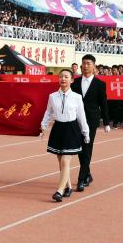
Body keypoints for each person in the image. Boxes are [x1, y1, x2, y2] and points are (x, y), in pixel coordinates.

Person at [40, 69, 89, 202]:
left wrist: (86, 132)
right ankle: (68, 187)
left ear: (72, 80)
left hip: (71, 129)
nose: (63, 79)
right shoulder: (52, 96)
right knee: (61, 162)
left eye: (66, 77)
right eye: (61, 76)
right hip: (58, 129)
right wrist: (43, 126)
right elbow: (48, 112)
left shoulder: (77, 97)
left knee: (65, 161)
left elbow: (81, 116)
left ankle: (59, 191)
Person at [70, 54, 110, 191]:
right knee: (80, 148)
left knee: (87, 146)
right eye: (84, 63)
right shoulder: (74, 82)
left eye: (88, 63)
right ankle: (87, 174)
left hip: (91, 120)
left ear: (94, 66)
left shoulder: (100, 84)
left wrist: (106, 122)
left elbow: (103, 104)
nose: (85, 66)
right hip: (76, 119)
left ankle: (81, 179)